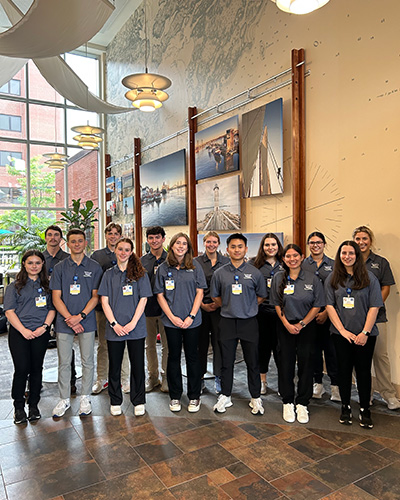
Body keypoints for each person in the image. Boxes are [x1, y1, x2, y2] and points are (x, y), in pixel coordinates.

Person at [325, 240, 383, 428]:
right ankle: (345, 407)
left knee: (364, 372)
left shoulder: (370, 278)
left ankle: (365, 409)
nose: (347, 256)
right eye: (344, 253)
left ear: (357, 256)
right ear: (339, 255)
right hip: (340, 334)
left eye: (351, 253)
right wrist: (342, 331)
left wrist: (365, 332)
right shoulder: (333, 278)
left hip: (365, 335)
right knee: (343, 371)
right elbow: (330, 306)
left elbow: (375, 306)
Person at [210, 233, 267, 415]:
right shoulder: (220, 273)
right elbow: (215, 297)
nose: (236, 249)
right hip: (227, 321)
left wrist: (247, 307)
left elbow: (261, 296)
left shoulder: (255, 273)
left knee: (253, 361)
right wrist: (229, 306)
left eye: (240, 246)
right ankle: (225, 395)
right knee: (226, 362)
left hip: (249, 322)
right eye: (233, 246)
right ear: (227, 250)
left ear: (245, 249)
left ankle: (256, 397)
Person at [50, 229, 102, 418]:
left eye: (80, 241)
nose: (77, 244)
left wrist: (79, 316)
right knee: (64, 362)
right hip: (64, 322)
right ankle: (64, 398)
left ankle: (85, 398)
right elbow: (56, 298)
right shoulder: (60, 268)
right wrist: (70, 320)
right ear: (68, 244)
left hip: (86, 321)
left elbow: (96, 296)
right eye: (73, 241)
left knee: (87, 361)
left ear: (85, 243)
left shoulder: (95, 267)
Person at [270, 244, 325, 424]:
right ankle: (287, 401)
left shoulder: (312, 278)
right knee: (285, 364)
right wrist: (286, 323)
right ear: (283, 259)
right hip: (285, 326)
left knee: (306, 363)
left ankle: (302, 402)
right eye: (288, 256)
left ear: (302, 257)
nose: (292, 259)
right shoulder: (278, 277)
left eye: (295, 256)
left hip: (306, 327)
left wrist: (302, 324)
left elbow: (317, 305)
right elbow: (277, 304)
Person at [98, 238, 152, 416]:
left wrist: (132, 323)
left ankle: (138, 400)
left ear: (131, 252)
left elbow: (143, 299)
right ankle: (115, 400)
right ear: (115, 250)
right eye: (120, 249)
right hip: (115, 329)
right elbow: (104, 301)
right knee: (114, 366)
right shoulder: (108, 274)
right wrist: (114, 324)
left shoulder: (140, 274)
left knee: (137, 365)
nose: (123, 252)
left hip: (135, 327)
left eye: (126, 249)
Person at [154, 233, 206, 413]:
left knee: (192, 357)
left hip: (192, 320)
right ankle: (175, 396)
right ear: (172, 245)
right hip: (171, 322)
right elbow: (160, 295)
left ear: (188, 247)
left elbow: (200, 292)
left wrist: (191, 316)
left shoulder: (195, 266)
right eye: (178, 243)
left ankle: (194, 396)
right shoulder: (163, 268)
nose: (181, 246)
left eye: (184, 243)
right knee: (173, 357)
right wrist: (172, 317)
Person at [4, 251, 55, 424]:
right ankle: (18, 407)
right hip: (19, 333)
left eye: (38, 263)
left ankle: (33, 405)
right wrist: (24, 330)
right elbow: (9, 311)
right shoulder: (14, 286)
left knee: (36, 369)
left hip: (40, 333)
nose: (34, 266)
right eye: (30, 262)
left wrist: (44, 327)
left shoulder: (47, 285)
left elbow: (52, 309)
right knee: (21, 369)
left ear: (42, 265)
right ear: (24, 264)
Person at [353, 226, 400, 410]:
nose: (361, 242)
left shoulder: (381, 263)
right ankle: (366, 393)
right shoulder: (349, 261)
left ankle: (389, 394)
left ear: (370, 240)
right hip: (355, 319)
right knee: (359, 359)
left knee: (381, 355)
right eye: (357, 239)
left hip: (378, 317)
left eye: (364, 238)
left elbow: (386, 287)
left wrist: (374, 306)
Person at [91, 222, 130, 394]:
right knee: (103, 344)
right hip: (102, 307)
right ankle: (101, 378)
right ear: (106, 235)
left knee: (125, 344)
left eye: (116, 233)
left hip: (123, 307)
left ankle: (124, 378)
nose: (113, 236)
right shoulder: (97, 256)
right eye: (110, 233)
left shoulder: (128, 254)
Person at [302, 231, 340, 402]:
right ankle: (317, 383)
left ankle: (335, 386)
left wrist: (325, 312)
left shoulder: (334, 265)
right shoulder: (302, 264)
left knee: (331, 352)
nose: (315, 245)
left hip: (329, 315)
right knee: (313, 351)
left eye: (318, 242)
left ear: (324, 244)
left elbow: (337, 291)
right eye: (312, 242)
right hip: (309, 316)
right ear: (308, 245)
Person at [194, 231, 229, 394]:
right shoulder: (195, 262)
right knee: (200, 345)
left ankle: (219, 377)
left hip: (219, 309)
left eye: (214, 242)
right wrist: (202, 305)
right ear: (204, 243)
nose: (211, 244)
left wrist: (217, 303)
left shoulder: (226, 262)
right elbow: (191, 287)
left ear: (219, 244)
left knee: (219, 344)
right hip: (200, 308)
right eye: (208, 242)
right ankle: (199, 378)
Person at [43, 225, 77, 393]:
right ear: (45, 238)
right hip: (43, 307)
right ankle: (33, 381)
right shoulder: (39, 258)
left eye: (56, 235)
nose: (53, 238)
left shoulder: (68, 258)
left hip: (64, 306)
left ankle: (71, 379)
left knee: (66, 343)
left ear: (61, 239)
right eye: (50, 235)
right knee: (38, 343)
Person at [249, 233, 284, 394]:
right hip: (261, 313)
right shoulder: (254, 265)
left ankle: (282, 383)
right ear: (262, 247)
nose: (271, 248)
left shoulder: (285, 263)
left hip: (281, 314)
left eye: (274, 244)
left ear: (278, 246)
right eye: (267, 245)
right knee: (262, 348)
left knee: (281, 350)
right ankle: (262, 380)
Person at [140, 226, 169, 393]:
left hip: (167, 310)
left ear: (163, 239)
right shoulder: (142, 260)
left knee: (167, 346)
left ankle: (166, 378)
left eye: (157, 237)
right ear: (148, 240)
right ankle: (153, 377)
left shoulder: (170, 259)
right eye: (151, 238)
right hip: (147, 309)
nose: (154, 241)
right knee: (149, 345)